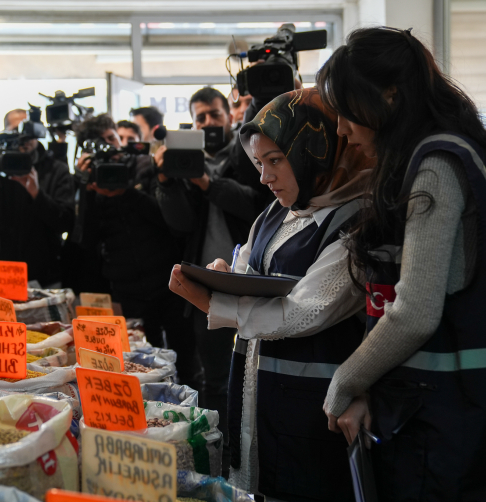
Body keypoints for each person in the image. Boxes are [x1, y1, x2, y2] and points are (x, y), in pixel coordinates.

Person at [317, 27, 486, 500]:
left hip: (448, 414)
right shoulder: (458, 149)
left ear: (389, 96)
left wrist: (345, 381)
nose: (342, 130)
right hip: (461, 408)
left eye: (348, 112)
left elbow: (416, 311)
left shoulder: (435, 165)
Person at [169, 87, 373, 500]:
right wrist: (222, 275)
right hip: (255, 393)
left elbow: (305, 312)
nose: (265, 177)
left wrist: (215, 302)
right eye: (259, 163)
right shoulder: (278, 211)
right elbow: (247, 265)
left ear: (316, 150)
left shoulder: (357, 221)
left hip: (311, 409)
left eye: (276, 160)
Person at [154, 87, 271, 469]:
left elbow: (254, 203)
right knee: (215, 378)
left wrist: (207, 181)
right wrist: (168, 183)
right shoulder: (185, 164)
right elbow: (180, 223)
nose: (208, 123)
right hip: (205, 287)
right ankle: (218, 457)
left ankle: (242, 454)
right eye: (199, 117)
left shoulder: (247, 156)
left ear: (229, 115)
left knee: (252, 380)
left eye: (214, 114)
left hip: (252, 282)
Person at [73, 113, 187, 359]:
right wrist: (86, 188)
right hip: (126, 288)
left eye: (111, 137)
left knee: (183, 350)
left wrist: (125, 193)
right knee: (142, 355)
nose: (111, 145)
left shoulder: (143, 164)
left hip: (165, 278)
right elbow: (87, 240)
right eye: (100, 142)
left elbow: (166, 220)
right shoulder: (90, 178)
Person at [0, 112, 75, 287]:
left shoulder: (55, 169)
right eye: (17, 130)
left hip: (43, 277)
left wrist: (37, 195)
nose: (24, 137)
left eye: (29, 130)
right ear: (5, 132)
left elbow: (66, 223)